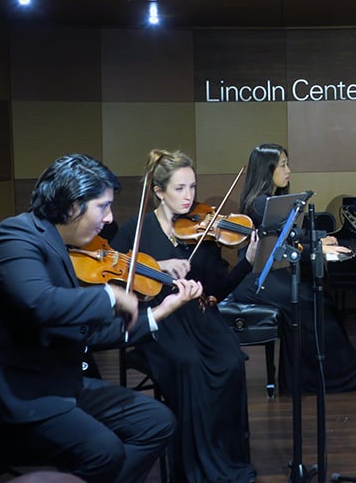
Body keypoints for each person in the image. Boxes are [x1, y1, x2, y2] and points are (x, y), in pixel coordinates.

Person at [0, 154, 202, 482]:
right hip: (19, 395)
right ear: (72, 206)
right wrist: (109, 295)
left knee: (158, 421)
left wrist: (159, 312)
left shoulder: (63, 245)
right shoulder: (15, 236)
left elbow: (90, 333)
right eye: (103, 206)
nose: (110, 219)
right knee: (104, 450)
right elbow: (38, 303)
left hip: (62, 382)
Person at [110, 149, 258, 483]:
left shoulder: (202, 234)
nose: (189, 196)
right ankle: (196, 466)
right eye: (179, 188)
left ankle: (227, 459)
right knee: (189, 364)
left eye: (192, 186)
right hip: (159, 320)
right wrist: (158, 266)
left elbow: (218, 287)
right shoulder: (137, 230)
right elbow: (115, 277)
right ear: (159, 192)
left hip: (198, 316)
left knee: (231, 360)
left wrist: (247, 260)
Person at [233, 142, 356, 393]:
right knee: (310, 299)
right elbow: (285, 242)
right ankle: (342, 376)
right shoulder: (260, 203)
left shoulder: (269, 200)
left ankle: (315, 377)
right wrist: (319, 247)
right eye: (283, 165)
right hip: (255, 280)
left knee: (317, 296)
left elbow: (291, 236)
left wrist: (318, 240)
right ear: (266, 170)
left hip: (270, 274)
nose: (288, 170)